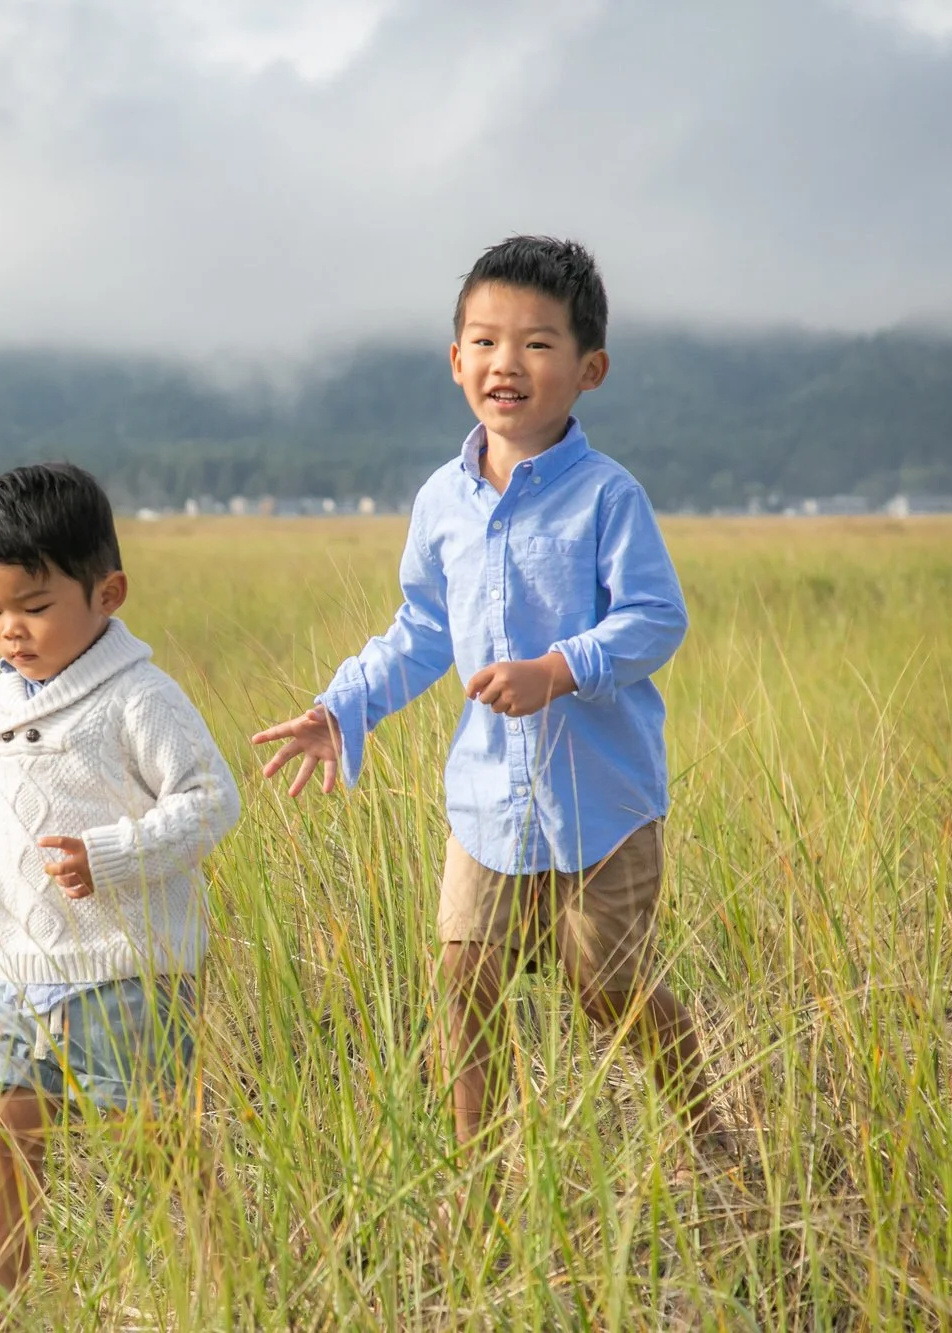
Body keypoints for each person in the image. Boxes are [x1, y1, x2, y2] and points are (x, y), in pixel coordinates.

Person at [253, 236, 736, 1163]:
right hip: (489, 806)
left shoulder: (607, 497)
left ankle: (709, 1133)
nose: (506, 363)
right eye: (483, 341)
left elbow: (655, 618)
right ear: (455, 361)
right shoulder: (442, 500)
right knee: (464, 981)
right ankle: (482, 1180)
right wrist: (339, 708)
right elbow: (421, 629)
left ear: (589, 369)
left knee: (608, 984)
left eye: (537, 344)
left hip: (606, 801)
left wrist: (558, 668)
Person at [0, 462, 241, 1329]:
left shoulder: (137, 698)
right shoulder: (0, 703)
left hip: (125, 974)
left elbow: (209, 800)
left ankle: (228, 1285)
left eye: (34, 607)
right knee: (4, 1132)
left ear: (107, 592)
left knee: (154, 1143)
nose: (10, 629)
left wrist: (113, 854)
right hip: (21, 971)